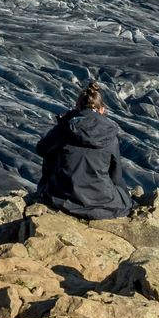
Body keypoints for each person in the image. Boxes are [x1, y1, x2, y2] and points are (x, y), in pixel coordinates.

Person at [32, 83, 131, 220]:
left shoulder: (64, 129)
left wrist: (65, 121)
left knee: (52, 151)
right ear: (102, 110)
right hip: (102, 200)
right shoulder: (110, 136)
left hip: (61, 196)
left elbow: (41, 149)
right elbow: (116, 176)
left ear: (77, 107)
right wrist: (123, 195)